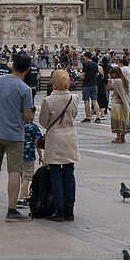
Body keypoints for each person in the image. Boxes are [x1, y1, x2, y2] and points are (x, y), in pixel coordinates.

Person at [0, 52, 37, 221]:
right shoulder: (24, 89)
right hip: (14, 135)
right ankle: (12, 210)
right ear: (27, 69)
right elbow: (28, 117)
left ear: (12, 65)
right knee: (14, 171)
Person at [36, 65, 80, 220]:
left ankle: (59, 210)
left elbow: (43, 121)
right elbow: (74, 115)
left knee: (55, 174)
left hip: (55, 138)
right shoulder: (74, 98)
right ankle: (70, 210)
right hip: (70, 137)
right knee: (69, 174)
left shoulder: (48, 100)